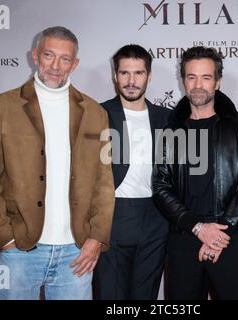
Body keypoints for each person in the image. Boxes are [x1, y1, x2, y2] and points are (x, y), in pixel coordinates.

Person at [0, 26, 115, 300]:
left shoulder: (96, 114)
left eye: (65, 59)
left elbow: (104, 182)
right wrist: (5, 239)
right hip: (20, 252)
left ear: (75, 64)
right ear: (35, 55)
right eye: (49, 55)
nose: (55, 66)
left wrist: (96, 237)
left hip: (76, 252)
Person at [152, 46, 238, 299]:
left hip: (230, 238)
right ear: (183, 81)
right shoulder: (168, 131)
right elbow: (160, 187)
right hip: (184, 239)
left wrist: (219, 233)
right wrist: (199, 229)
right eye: (191, 77)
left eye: (206, 77)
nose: (198, 85)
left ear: (218, 82)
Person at [94, 44, 170, 299]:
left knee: (145, 297)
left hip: (155, 219)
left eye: (138, 73)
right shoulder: (98, 114)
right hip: (112, 216)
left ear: (149, 76)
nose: (131, 81)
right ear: (115, 76)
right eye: (124, 73)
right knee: (110, 295)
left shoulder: (167, 118)